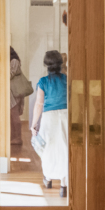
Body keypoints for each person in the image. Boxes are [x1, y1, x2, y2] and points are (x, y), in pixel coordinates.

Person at [34, 50, 70, 192]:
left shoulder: (43, 82)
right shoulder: (67, 79)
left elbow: (38, 105)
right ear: (61, 63)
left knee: (48, 147)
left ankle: (48, 179)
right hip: (65, 115)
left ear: (46, 64)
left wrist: (33, 124)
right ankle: (64, 184)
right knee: (64, 147)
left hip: (49, 117)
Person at [8, 49, 35, 160]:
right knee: (12, 114)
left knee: (14, 114)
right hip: (13, 92)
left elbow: (10, 74)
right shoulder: (13, 60)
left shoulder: (14, 60)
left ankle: (17, 138)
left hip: (14, 92)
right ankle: (14, 137)